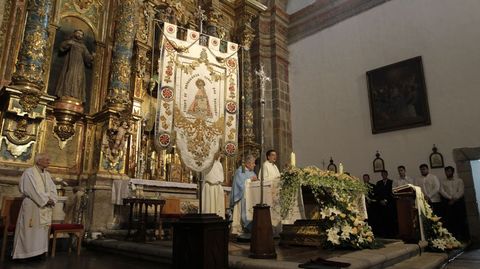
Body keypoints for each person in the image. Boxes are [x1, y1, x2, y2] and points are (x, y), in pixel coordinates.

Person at [12, 153, 58, 259]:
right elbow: (31, 190)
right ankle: (24, 255)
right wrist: (46, 200)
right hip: (32, 205)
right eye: (46, 159)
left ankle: (37, 253)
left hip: (43, 206)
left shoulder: (47, 175)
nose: (48, 162)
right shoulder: (29, 173)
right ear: (38, 161)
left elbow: (53, 189)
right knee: (29, 230)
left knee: (40, 231)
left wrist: (53, 199)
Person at [54, 29, 94, 103]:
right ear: (74, 33)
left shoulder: (83, 46)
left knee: (78, 79)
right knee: (69, 76)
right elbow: (62, 47)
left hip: (79, 65)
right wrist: (69, 43)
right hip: (71, 62)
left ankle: (76, 96)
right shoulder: (70, 41)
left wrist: (92, 57)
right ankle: (66, 94)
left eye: (81, 34)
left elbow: (87, 56)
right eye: (78, 33)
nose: (79, 35)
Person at [230, 155, 257, 234]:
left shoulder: (251, 171)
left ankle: (249, 227)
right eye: (253, 163)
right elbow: (239, 183)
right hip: (241, 196)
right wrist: (251, 179)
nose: (255, 165)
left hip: (250, 196)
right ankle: (240, 228)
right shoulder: (241, 169)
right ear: (248, 164)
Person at [439, 166, 467, 240]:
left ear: (453, 172)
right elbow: (442, 191)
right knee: (450, 220)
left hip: (458, 202)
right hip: (448, 202)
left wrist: (454, 198)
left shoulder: (459, 180)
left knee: (461, 218)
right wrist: (450, 198)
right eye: (446, 171)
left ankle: (463, 237)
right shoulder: (442, 181)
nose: (448, 173)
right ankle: (453, 237)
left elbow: (461, 191)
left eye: (449, 171)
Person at [201, 153, 225, 218]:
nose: (219, 155)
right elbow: (208, 176)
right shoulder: (207, 163)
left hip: (217, 188)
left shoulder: (219, 164)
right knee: (209, 206)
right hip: (210, 187)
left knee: (218, 208)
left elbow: (221, 177)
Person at [374, 170, 396, 238]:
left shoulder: (391, 182)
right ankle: (383, 233)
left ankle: (391, 233)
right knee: (382, 219)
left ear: (387, 174)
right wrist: (380, 200)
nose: (383, 175)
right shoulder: (378, 183)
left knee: (390, 219)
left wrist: (386, 200)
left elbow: (392, 193)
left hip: (389, 204)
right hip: (381, 204)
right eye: (382, 174)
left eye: (384, 174)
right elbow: (376, 193)